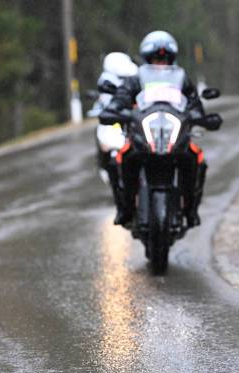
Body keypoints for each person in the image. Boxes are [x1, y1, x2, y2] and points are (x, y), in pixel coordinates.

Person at [100, 31, 213, 227]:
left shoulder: (182, 78)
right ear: (147, 58)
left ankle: (190, 209)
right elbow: (121, 98)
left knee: (196, 157)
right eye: (155, 58)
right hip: (143, 136)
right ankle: (125, 208)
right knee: (120, 157)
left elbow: (194, 103)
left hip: (175, 136)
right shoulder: (136, 79)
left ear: (171, 59)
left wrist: (201, 117)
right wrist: (114, 110)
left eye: (164, 58)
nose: (160, 63)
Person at [88, 52, 138, 212]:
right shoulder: (106, 81)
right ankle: (105, 167)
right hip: (116, 121)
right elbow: (103, 100)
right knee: (102, 138)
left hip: (134, 121)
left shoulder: (137, 76)